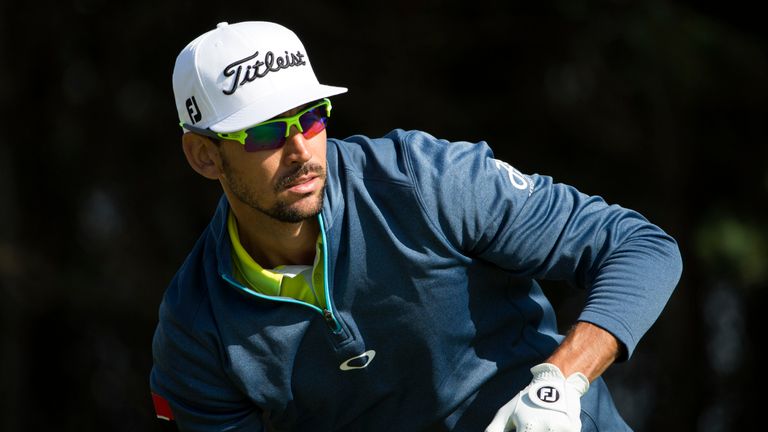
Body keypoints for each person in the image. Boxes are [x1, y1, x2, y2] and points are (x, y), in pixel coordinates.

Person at [150, 20, 682, 432]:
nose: (300, 148)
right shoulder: (195, 330)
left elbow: (640, 247)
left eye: (311, 116)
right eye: (266, 131)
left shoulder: (423, 180)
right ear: (203, 156)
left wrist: (559, 383)